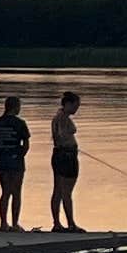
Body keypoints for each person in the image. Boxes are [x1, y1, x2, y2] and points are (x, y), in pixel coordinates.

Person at [0, 94, 31, 229]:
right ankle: (14, 223)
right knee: (16, 193)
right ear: (15, 107)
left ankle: (3, 223)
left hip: (1, 159)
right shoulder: (20, 123)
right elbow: (26, 143)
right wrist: (21, 155)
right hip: (15, 160)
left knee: (5, 192)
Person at [46, 90, 83, 232]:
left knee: (60, 191)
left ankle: (59, 223)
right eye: (75, 106)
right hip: (65, 156)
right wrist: (66, 144)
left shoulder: (62, 116)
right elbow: (60, 135)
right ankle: (69, 224)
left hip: (64, 155)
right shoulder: (61, 118)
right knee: (64, 191)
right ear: (68, 104)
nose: (76, 109)